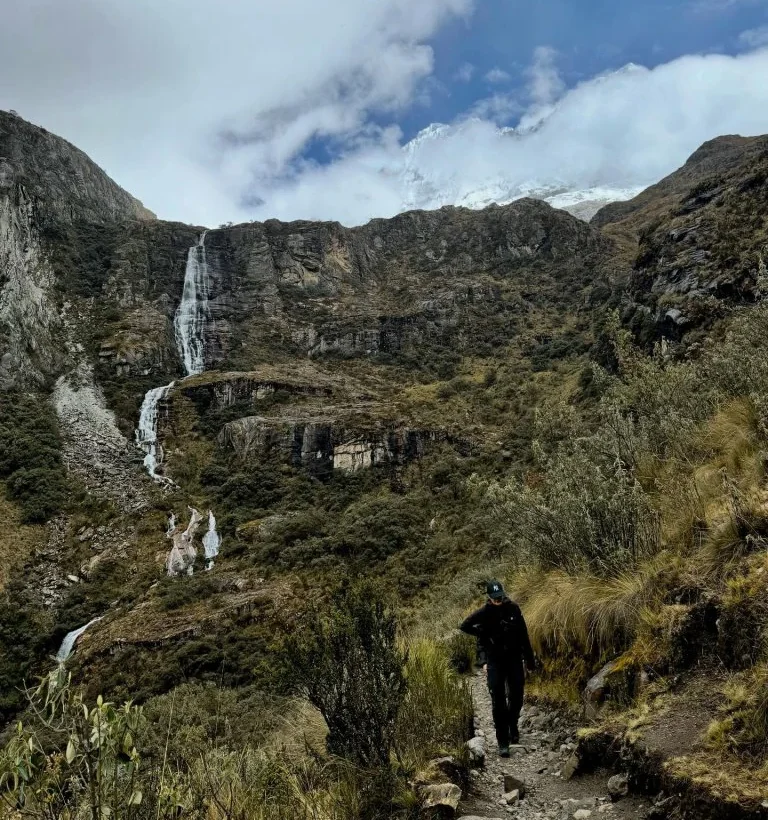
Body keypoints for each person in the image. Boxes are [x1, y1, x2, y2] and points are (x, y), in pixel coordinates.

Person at [459, 580, 536, 757]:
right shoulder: (484, 613)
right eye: (494, 598)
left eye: (500, 596)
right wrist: (483, 634)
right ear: (489, 597)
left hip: (514, 658)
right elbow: (465, 625)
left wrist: (530, 661)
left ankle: (513, 725)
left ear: (503, 593)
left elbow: (524, 635)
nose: (498, 600)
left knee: (517, 695)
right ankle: (502, 740)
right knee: (498, 700)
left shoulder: (514, 609)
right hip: (495, 661)